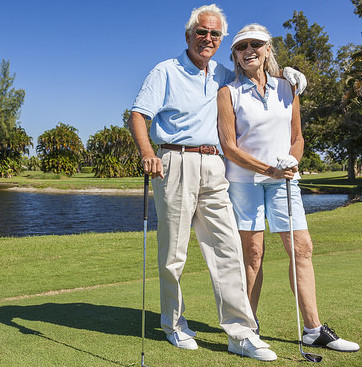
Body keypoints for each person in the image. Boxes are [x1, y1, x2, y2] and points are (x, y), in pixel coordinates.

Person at [128, 5, 306, 361]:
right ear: (189, 35)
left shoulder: (224, 73)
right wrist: (147, 151)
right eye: (201, 32)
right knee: (174, 253)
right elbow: (138, 114)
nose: (207, 38)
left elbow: (256, 73)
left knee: (227, 247)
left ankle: (241, 332)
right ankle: (174, 325)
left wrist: (288, 74)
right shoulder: (165, 70)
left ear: (221, 40)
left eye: (214, 34)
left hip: (215, 166)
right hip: (174, 161)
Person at [217, 23, 360, 353]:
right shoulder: (228, 93)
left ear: (268, 49)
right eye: (241, 47)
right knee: (252, 254)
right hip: (245, 182)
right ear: (235, 56)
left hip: (284, 181)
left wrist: (292, 162)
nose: (249, 49)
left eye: (256, 44)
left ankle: (313, 329)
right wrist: (268, 167)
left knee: (302, 249)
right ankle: (246, 331)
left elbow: (297, 138)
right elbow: (229, 146)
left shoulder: (288, 87)